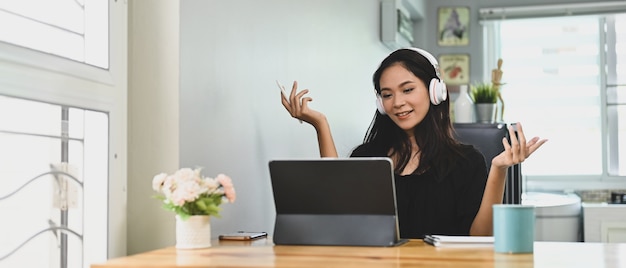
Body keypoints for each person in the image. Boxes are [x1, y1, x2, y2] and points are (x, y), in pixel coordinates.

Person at [279, 47, 547, 238]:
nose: (397, 103)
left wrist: (499, 169)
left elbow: (479, 238)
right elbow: (340, 212)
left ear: (434, 91)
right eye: (387, 94)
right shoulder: (368, 156)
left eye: (408, 90)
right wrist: (320, 124)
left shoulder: (466, 162)